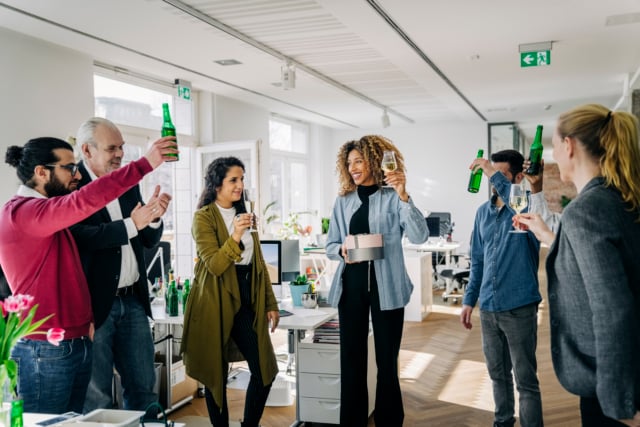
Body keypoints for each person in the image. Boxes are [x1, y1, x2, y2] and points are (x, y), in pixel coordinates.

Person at [0, 135, 176, 414]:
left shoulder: (47, 214)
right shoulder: (24, 213)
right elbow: (86, 200)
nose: (78, 174)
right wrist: (145, 164)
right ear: (41, 172)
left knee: (80, 420)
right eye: (69, 168)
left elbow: (71, 275)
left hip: (74, 339)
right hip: (45, 348)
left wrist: (86, 321)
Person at [516, 104, 640, 427]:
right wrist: (547, 233)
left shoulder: (584, 211)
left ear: (568, 146)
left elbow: (612, 307)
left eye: (554, 145)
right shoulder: (618, 197)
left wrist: (616, 400)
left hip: (607, 380)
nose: (553, 154)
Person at [69, 117, 172, 412]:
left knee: (145, 390)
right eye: (112, 148)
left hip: (134, 303)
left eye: (122, 147)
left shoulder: (126, 183)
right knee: (98, 398)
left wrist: (153, 219)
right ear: (87, 151)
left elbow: (147, 239)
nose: (120, 154)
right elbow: (82, 238)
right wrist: (131, 224)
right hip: (95, 308)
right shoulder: (72, 185)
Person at [325, 135, 428, 426]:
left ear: (373, 161)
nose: (353, 167)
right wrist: (342, 250)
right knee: (352, 363)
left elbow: (419, 236)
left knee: (386, 363)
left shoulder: (394, 197)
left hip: (388, 290)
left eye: (358, 161)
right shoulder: (343, 200)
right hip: (351, 289)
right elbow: (331, 244)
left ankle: (389, 421)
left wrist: (405, 194)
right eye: (349, 163)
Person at [180, 156, 279, 427]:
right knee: (216, 375)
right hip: (214, 301)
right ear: (216, 185)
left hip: (247, 297)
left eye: (242, 179)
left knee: (265, 371)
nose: (240, 185)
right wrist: (234, 235)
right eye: (233, 180)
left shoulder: (245, 215)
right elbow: (214, 265)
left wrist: (270, 303)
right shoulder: (203, 218)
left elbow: (257, 264)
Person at [460, 149, 543, 427]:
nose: (492, 181)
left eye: (501, 175)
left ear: (518, 177)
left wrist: (490, 170)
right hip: (489, 308)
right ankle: (502, 422)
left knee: (526, 381)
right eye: (491, 175)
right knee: (497, 375)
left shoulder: (527, 207)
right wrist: (469, 300)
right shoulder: (482, 213)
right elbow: (478, 260)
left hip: (519, 307)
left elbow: (517, 200)